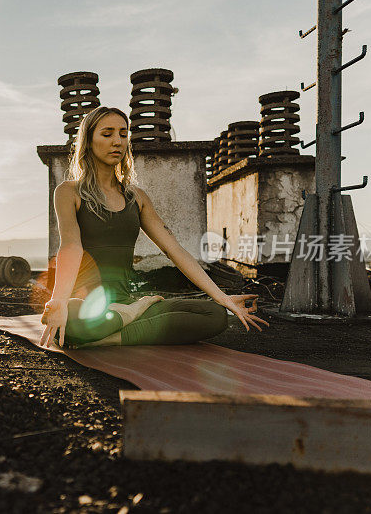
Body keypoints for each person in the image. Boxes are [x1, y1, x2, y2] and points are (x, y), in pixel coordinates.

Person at [39, 106, 268, 349]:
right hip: (87, 306)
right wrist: (59, 301)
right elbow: (71, 246)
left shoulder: (137, 197)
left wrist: (222, 297)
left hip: (125, 302)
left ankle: (115, 331)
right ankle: (130, 317)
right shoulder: (68, 191)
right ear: (89, 141)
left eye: (123, 134)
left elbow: (174, 250)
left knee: (215, 315)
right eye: (107, 134)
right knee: (73, 320)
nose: (117, 141)